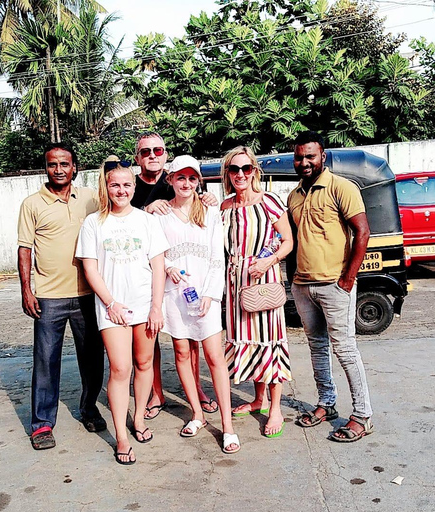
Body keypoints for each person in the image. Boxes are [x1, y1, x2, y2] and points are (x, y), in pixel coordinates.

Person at [75, 159, 169, 465]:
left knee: (144, 363)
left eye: (127, 184)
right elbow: (90, 268)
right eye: (115, 184)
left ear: (133, 186)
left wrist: (156, 307)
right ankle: (121, 435)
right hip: (112, 308)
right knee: (120, 368)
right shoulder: (94, 223)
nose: (121, 190)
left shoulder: (147, 221)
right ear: (107, 186)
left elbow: (157, 266)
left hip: (145, 305)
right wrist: (111, 303)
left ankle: (139, 418)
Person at [17, 143, 105, 451]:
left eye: (64, 164)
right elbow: (24, 249)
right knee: (46, 361)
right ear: (46, 168)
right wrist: (27, 290)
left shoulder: (91, 199)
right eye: (53, 164)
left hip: (87, 295)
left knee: (93, 359)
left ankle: (89, 408)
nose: (59, 169)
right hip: (49, 297)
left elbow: (123, 205)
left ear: (75, 167)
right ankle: (42, 423)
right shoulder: (32, 204)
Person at [287, 131, 374, 442]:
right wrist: (293, 280)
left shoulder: (341, 187)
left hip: (335, 285)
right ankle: (327, 404)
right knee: (317, 349)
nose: (305, 162)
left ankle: (362, 415)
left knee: (346, 350)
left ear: (322, 156)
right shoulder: (294, 195)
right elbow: (296, 240)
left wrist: (348, 278)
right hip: (303, 286)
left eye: (311, 156)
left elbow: (362, 232)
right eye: (299, 157)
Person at [132, 131, 219, 420]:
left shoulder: (191, 196)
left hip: (181, 283)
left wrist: (206, 197)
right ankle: (156, 394)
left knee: (190, 340)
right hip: (144, 278)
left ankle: (197, 391)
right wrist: (146, 209)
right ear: (138, 158)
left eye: (158, 150)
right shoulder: (130, 186)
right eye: (146, 152)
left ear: (165, 155)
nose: (152, 156)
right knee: (149, 343)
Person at [158, 155, 240, 454]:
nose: (187, 183)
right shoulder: (160, 215)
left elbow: (218, 258)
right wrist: (168, 266)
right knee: (182, 352)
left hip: (206, 295)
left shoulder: (210, 211)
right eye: (181, 177)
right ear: (171, 179)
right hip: (175, 295)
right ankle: (197, 414)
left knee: (214, 357)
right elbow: (154, 251)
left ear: (199, 181)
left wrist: (210, 294)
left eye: (192, 178)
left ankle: (227, 426)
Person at [220, 146, 294, 438]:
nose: (240, 174)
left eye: (246, 168)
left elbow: (287, 241)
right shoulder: (224, 206)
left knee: (269, 339)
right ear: (228, 173)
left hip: (263, 277)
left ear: (254, 172)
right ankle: (258, 399)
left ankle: (275, 408)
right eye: (234, 169)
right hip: (235, 281)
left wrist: (268, 261)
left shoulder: (269, 202)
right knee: (249, 340)